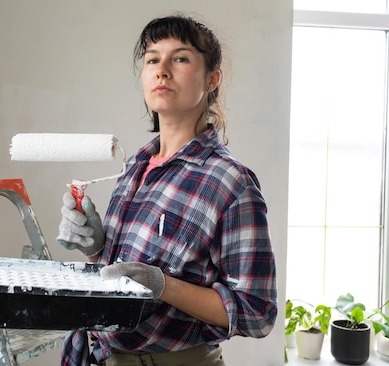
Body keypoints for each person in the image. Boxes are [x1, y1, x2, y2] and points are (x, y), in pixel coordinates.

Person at [57, 14, 277, 366]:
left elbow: (257, 312)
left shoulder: (230, 182)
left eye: (180, 58)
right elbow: (120, 280)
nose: (162, 70)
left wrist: (163, 286)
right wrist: (95, 248)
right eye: (152, 59)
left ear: (212, 79)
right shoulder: (135, 167)